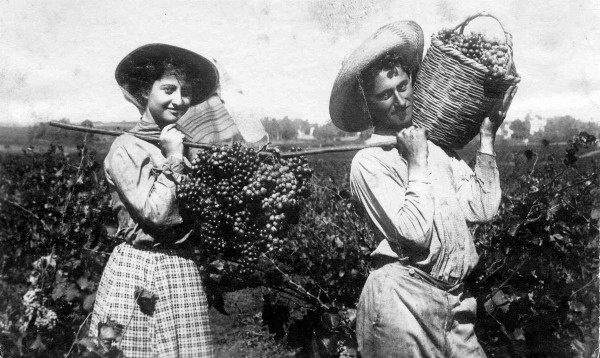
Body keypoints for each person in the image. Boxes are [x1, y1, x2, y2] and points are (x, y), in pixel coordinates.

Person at [329, 21, 517, 357]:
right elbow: (414, 237)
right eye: (385, 94)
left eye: (403, 86)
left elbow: (482, 208)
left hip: (456, 304)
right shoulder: (369, 163)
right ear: (367, 105)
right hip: (401, 303)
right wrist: (416, 163)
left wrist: (487, 138)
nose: (400, 100)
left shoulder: (439, 151)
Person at [89, 43, 219, 358]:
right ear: (147, 91)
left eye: (185, 92)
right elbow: (156, 215)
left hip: (181, 270)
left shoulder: (184, 147)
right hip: (138, 268)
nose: (179, 100)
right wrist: (173, 158)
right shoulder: (127, 148)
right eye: (169, 89)